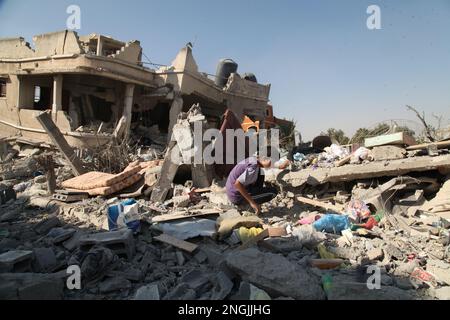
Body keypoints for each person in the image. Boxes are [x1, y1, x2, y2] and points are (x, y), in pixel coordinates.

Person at [225, 155, 290, 215]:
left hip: (233, 190)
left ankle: (256, 195)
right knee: (273, 192)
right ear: (264, 159)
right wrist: (252, 202)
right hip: (236, 196)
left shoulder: (254, 160)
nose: (271, 164)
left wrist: (279, 166)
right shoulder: (252, 168)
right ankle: (249, 205)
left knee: (261, 173)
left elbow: (265, 164)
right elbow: (237, 184)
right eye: (270, 161)